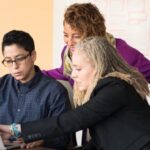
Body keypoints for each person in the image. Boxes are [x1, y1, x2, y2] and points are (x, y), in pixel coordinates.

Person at [0, 36, 150, 150]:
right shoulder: (106, 90)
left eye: (78, 69)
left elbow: (71, 121)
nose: (73, 76)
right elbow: (98, 143)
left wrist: (15, 130)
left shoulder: (114, 88)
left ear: (99, 66)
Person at [43, 3, 150, 85]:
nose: (69, 42)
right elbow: (64, 73)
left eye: (76, 37)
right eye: (66, 35)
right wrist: (35, 73)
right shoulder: (68, 54)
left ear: (93, 35)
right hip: (88, 111)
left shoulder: (122, 52)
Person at [0, 30, 71, 149]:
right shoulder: (2, 85)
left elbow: (63, 137)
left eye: (19, 58)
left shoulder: (54, 91)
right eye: (8, 61)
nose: (14, 66)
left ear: (33, 56)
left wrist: (42, 140)